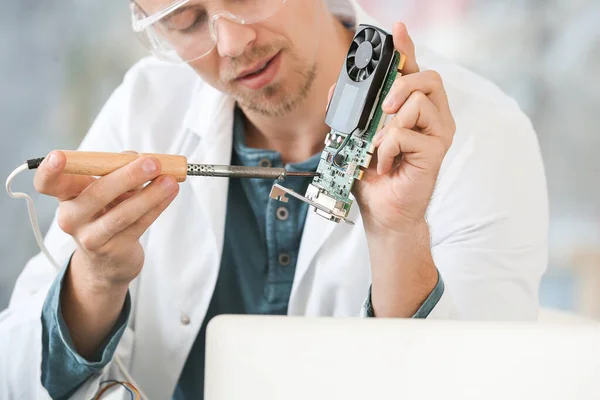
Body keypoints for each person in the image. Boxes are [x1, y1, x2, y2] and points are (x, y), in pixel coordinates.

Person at [0, 0, 548, 398]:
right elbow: (16, 376)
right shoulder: (145, 108)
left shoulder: (481, 134)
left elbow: (486, 382)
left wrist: (398, 236)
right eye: (186, 20)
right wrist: (96, 279)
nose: (233, 43)